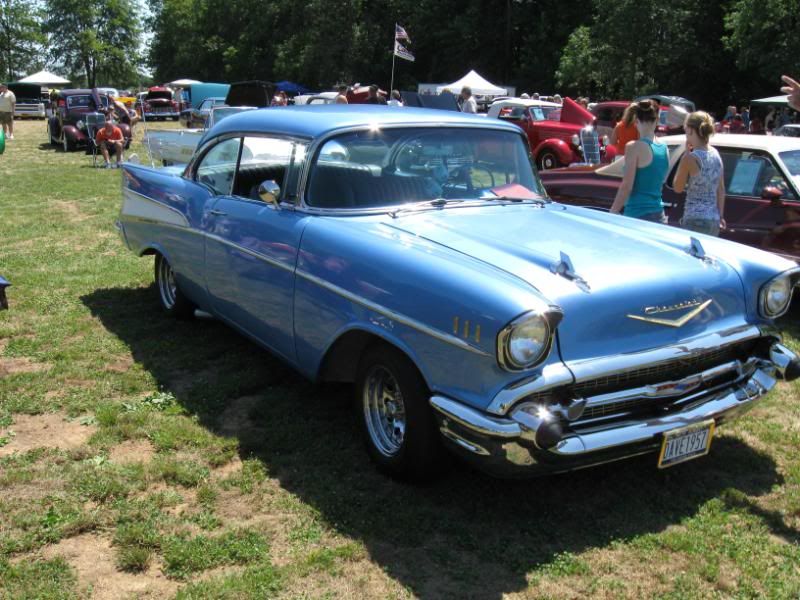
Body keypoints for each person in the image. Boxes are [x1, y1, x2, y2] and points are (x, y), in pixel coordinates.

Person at [609, 99, 669, 222]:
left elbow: (627, 186)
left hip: (636, 214)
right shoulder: (664, 148)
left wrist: (613, 211)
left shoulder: (633, 147)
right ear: (657, 120)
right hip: (659, 215)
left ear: (636, 121)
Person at [673, 111, 725, 236]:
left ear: (690, 130)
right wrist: (721, 215)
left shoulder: (691, 158)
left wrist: (685, 155)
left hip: (695, 219)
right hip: (714, 219)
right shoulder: (715, 154)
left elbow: (677, 188)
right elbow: (721, 189)